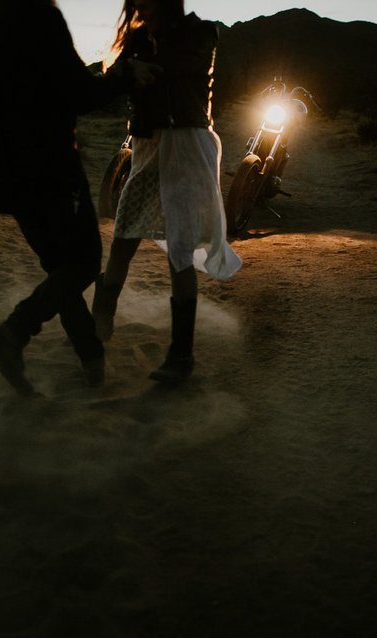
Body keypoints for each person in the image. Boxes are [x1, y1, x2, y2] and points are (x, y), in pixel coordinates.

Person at [0, 0, 157, 395]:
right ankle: (14, 333)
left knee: (60, 268)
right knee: (85, 262)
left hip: (5, 173)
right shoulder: (39, 15)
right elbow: (80, 95)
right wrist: (125, 75)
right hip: (49, 168)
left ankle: (91, 359)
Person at [92, 0, 242, 384]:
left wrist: (138, 69)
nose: (141, 3)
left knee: (180, 244)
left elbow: (183, 68)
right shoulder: (139, 37)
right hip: (147, 143)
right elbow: (118, 76)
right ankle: (99, 323)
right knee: (124, 231)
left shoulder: (201, 31)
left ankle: (181, 355)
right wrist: (127, 69)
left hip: (187, 145)